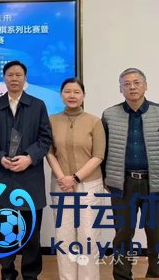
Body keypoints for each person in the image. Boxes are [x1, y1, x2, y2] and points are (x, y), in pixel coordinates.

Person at [102, 67, 159, 280]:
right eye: (126, 84)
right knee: (122, 237)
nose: (132, 87)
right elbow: (101, 151)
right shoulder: (109, 115)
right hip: (123, 186)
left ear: (145, 86)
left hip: (156, 186)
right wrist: (107, 179)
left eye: (136, 82)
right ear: (120, 89)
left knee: (157, 238)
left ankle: (157, 277)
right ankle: (122, 277)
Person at [0, 60, 52, 280]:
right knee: (5, 230)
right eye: (10, 75)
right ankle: (7, 272)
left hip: (30, 177)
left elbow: (45, 139)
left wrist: (29, 158)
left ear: (25, 78)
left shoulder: (38, 105)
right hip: (3, 176)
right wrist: (0, 158)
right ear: (4, 78)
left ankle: (30, 274)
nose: (14, 78)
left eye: (18, 75)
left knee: (31, 233)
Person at [46, 78, 105, 280]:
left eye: (77, 92)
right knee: (64, 236)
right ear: (61, 95)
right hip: (61, 185)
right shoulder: (52, 120)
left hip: (89, 185)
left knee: (89, 236)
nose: (72, 95)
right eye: (67, 91)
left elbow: (98, 155)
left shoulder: (94, 121)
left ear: (83, 96)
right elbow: (49, 152)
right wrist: (63, 178)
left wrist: (76, 178)